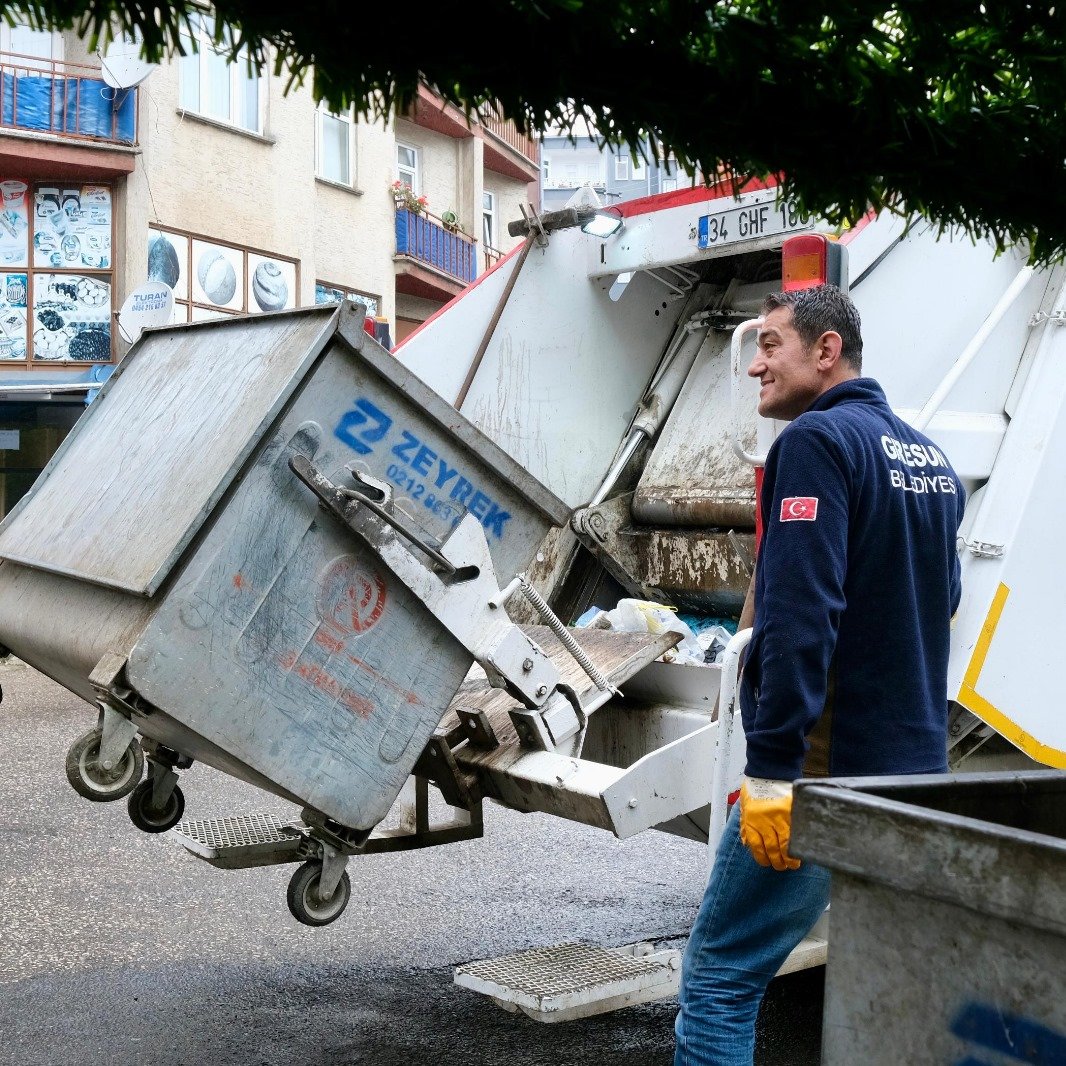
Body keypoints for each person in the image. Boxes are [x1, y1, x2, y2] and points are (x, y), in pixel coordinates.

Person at [674, 284, 965, 1066]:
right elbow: (941, 604)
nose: (754, 366)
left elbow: (801, 620)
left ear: (826, 350)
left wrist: (771, 773)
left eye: (770, 345)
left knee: (720, 979)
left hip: (821, 777)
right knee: (887, 991)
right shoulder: (932, 464)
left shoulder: (815, 445)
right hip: (914, 779)